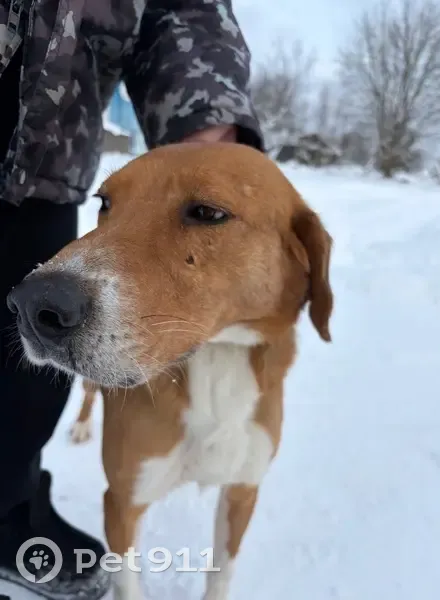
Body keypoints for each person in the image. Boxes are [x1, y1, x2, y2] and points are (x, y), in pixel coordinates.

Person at [0, 1, 263, 598]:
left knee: (28, 380)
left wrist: (206, 114)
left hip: (43, 149)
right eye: (110, 207)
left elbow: (182, 5)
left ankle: (8, 509)